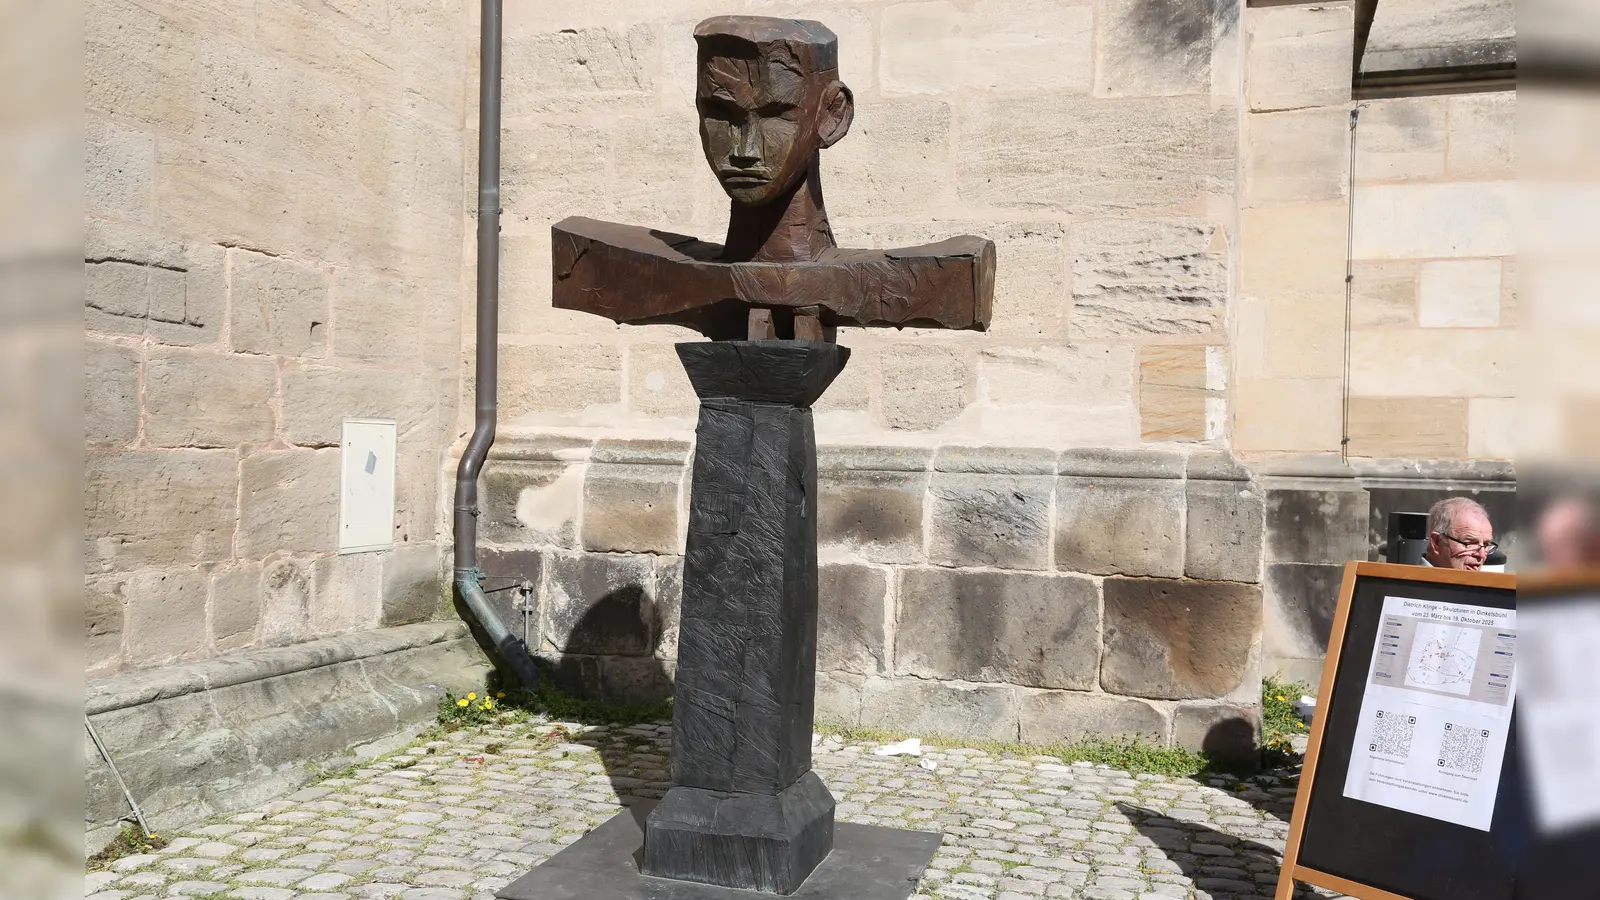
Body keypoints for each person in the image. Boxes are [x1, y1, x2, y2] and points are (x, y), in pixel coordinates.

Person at [1421, 497, 1496, 571]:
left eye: (1486, 544)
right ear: (1436, 542)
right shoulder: (1414, 582)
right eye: (1470, 543)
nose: (1481, 555)